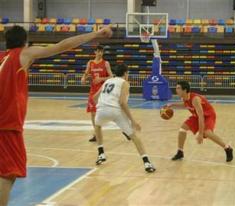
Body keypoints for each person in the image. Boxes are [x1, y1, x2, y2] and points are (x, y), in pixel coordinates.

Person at [0, 25, 112, 206]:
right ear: (25, 43)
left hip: (5, 124)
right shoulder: (23, 54)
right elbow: (62, 46)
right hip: (7, 126)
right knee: (8, 174)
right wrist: (95, 34)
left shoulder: (3, 58)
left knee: (8, 173)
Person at [93, 64, 156, 173]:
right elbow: (122, 103)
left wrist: (101, 108)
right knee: (134, 137)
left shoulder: (107, 81)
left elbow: (94, 98)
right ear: (125, 73)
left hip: (101, 110)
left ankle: (101, 153)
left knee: (98, 126)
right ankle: (146, 163)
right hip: (115, 111)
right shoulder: (124, 83)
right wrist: (133, 121)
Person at [166, 81, 233, 162]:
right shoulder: (184, 97)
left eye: (178, 88)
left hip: (208, 115)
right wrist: (173, 105)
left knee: (207, 133)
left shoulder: (195, 99)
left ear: (185, 90)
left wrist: (200, 134)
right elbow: (186, 105)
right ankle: (180, 152)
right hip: (197, 115)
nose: (176, 90)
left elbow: (201, 117)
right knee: (182, 129)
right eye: (176, 88)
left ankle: (227, 148)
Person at [81, 45, 113, 142]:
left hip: (103, 91)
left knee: (106, 113)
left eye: (101, 52)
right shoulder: (90, 63)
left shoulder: (106, 63)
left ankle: (124, 129)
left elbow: (111, 76)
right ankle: (96, 133)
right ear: (95, 52)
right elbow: (86, 73)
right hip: (93, 91)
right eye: (98, 51)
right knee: (93, 113)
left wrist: (101, 79)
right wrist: (84, 78)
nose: (100, 53)